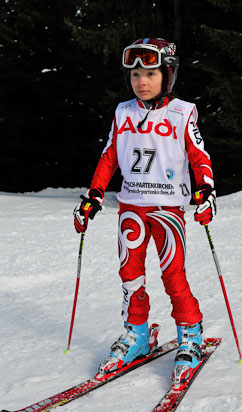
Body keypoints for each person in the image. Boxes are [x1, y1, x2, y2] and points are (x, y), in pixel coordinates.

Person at [73, 37, 216, 386]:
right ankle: (137, 333)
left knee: (173, 275)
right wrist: (93, 195)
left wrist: (206, 190)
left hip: (168, 209)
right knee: (129, 273)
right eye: (136, 74)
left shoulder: (182, 112)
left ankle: (190, 334)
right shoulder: (123, 112)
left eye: (151, 73)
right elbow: (110, 156)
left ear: (167, 75)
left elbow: (199, 157)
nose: (142, 81)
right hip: (131, 206)